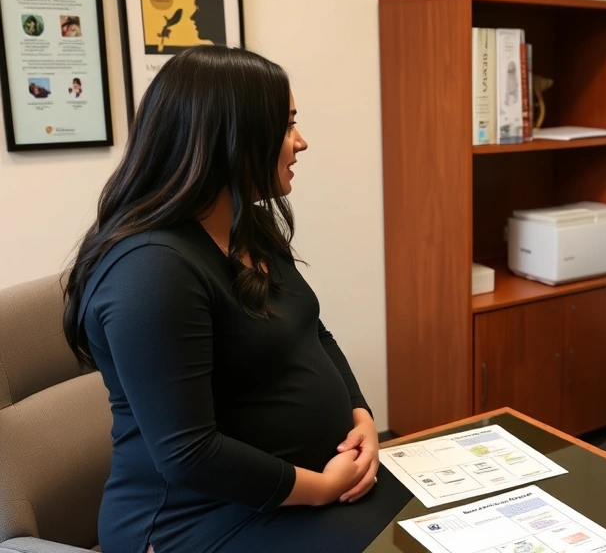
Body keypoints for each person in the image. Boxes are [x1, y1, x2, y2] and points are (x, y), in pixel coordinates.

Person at [62, 45, 410, 553]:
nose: (301, 141)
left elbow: (310, 329)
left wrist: (361, 418)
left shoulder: (248, 222)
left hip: (301, 487)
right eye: (286, 124)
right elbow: (189, 454)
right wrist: (324, 489)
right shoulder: (151, 269)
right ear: (230, 136)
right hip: (201, 520)